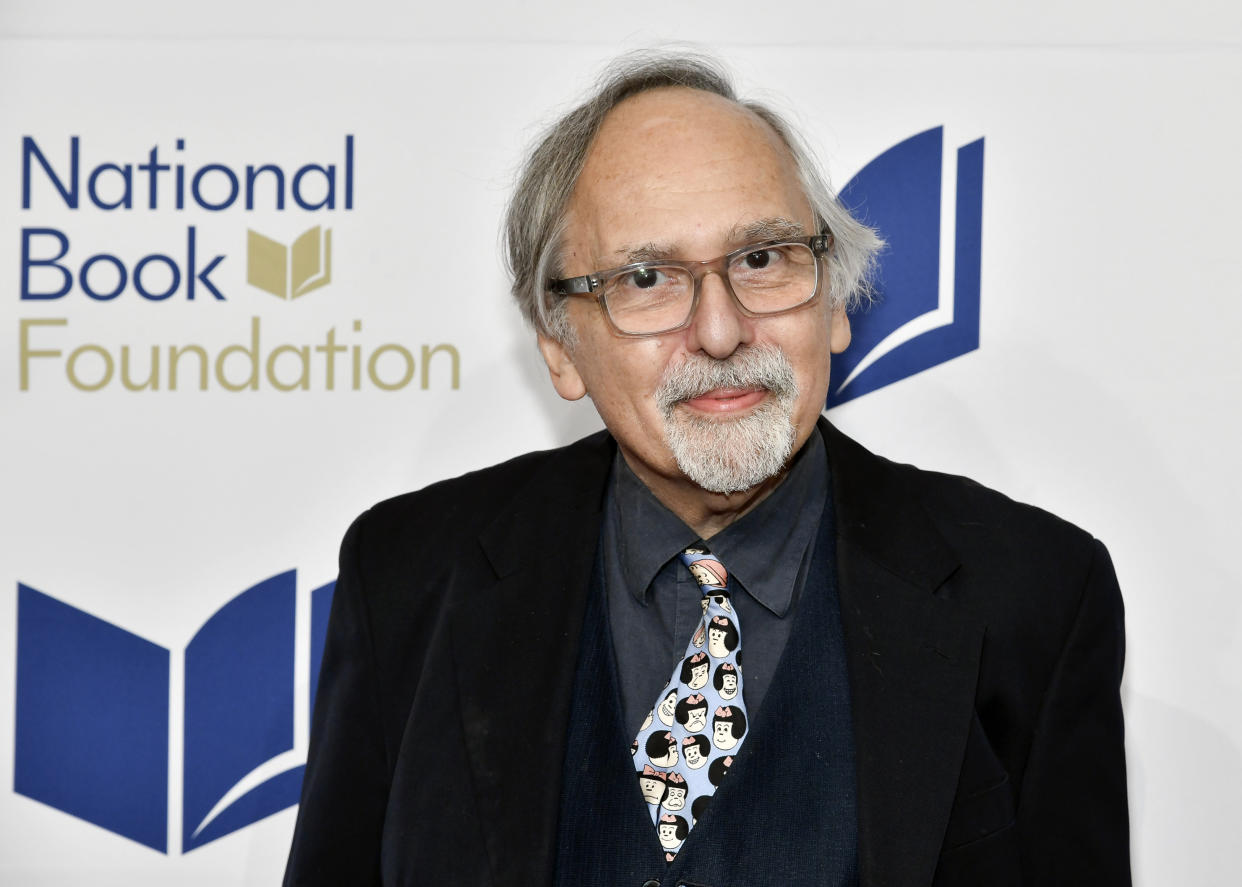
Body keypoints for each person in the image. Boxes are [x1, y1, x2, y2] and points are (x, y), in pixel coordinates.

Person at [283, 50, 1130, 886]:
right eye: (646, 278)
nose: (720, 331)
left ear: (832, 299)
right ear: (559, 345)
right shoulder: (408, 577)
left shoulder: (1035, 594)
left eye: (762, 259)